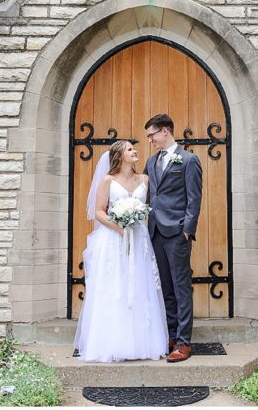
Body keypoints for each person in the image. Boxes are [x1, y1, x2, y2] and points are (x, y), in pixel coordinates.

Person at [73, 140, 168, 362]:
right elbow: (98, 211)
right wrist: (120, 227)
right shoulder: (108, 181)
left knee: (140, 284)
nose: (135, 151)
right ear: (119, 155)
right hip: (114, 240)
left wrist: (135, 222)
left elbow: (149, 209)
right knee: (116, 285)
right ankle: (113, 342)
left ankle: (142, 343)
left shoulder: (144, 179)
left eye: (134, 148)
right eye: (129, 149)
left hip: (139, 240)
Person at [145, 113, 202, 363]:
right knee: (165, 288)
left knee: (181, 288)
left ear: (165, 131)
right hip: (155, 231)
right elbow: (150, 196)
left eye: (152, 135)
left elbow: (194, 197)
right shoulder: (150, 161)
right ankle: (170, 336)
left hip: (177, 232)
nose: (150, 140)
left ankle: (184, 342)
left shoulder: (189, 160)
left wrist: (187, 229)